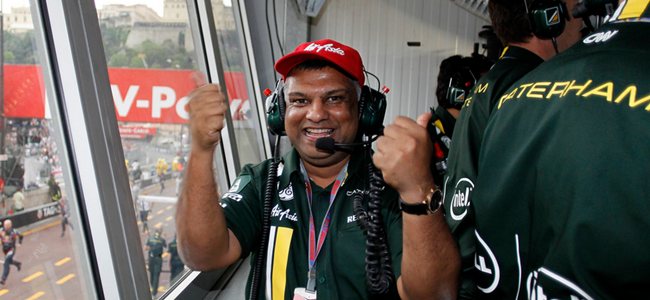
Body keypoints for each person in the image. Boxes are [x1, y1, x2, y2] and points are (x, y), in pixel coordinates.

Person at [176, 38, 459, 299]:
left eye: (334, 98)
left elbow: (434, 295)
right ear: (279, 111)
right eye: (299, 101)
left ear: (364, 110)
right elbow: (202, 254)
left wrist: (417, 188)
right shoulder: (263, 182)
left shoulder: (392, 186)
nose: (315, 114)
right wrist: (201, 151)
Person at [375, 0, 585, 298]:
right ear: (549, 17)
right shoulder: (535, 87)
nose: (582, 20)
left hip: (475, 270)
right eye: (574, 8)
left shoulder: (492, 83)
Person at [469, 1, 649, 298]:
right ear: (547, 16)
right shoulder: (510, 84)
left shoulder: (512, 93)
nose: (578, 15)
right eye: (571, 4)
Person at [0, 219, 23, 285]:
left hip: (11, 249)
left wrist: (20, 243)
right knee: (9, 261)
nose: (5, 226)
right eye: (5, 225)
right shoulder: (1, 230)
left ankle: (3, 279)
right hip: (5, 249)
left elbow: (21, 235)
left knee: (6, 263)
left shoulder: (14, 231)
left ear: (10, 225)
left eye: (7, 225)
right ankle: (18, 264)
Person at [145, 229, 167, 297]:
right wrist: (164, 237)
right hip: (158, 259)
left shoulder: (150, 238)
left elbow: (146, 248)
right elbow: (165, 246)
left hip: (151, 258)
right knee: (156, 276)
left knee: (152, 274)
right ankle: (154, 293)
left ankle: (153, 288)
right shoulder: (162, 239)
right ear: (160, 233)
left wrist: (152, 247)